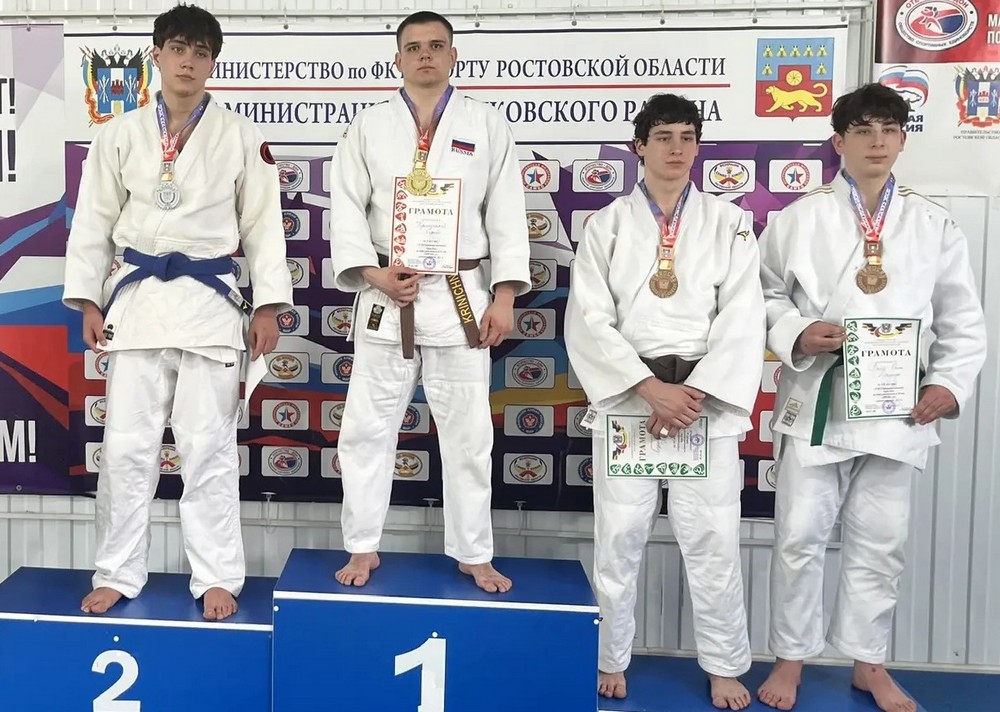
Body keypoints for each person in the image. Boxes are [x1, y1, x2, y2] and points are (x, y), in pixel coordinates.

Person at [756, 83, 986, 712]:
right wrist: (796, 330)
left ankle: (869, 662)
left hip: (896, 405)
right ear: (839, 141)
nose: (877, 141)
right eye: (863, 130)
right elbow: (762, 294)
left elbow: (962, 317)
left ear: (903, 139)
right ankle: (791, 658)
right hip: (820, 397)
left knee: (881, 541)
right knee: (798, 537)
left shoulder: (932, 222)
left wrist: (947, 383)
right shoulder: (798, 217)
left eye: (888, 129)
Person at [62, 3, 291, 621]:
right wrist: (88, 299)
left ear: (213, 62)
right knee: (125, 449)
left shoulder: (240, 136)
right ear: (156, 55)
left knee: (208, 449)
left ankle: (216, 575)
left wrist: (268, 306)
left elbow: (264, 228)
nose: (189, 61)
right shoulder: (118, 134)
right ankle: (116, 572)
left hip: (210, 305)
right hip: (137, 304)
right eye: (178, 49)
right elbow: (93, 223)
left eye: (201, 52)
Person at [565, 93, 765, 710]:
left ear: (698, 146)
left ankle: (725, 664)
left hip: (703, 405)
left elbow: (743, 315)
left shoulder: (730, 222)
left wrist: (693, 393)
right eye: (663, 137)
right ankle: (610, 655)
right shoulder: (606, 225)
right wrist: (649, 388)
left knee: (712, 538)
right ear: (639, 147)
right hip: (633, 399)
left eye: (687, 137)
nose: (677, 148)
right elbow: (589, 318)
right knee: (619, 536)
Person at [328, 11, 530, 593]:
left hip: (462, 296)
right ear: (397, 59)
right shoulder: (369, 126)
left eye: (436, 46)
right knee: (366, 431)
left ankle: (474, 552)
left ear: (453, 56)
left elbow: (507, 213)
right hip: (386, 293)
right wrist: (373, 273)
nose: (425, 55)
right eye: (413, 47)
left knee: (469, 437)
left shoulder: (485, 123)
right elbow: (345, 207)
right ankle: (362, 546)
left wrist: (505, 295)